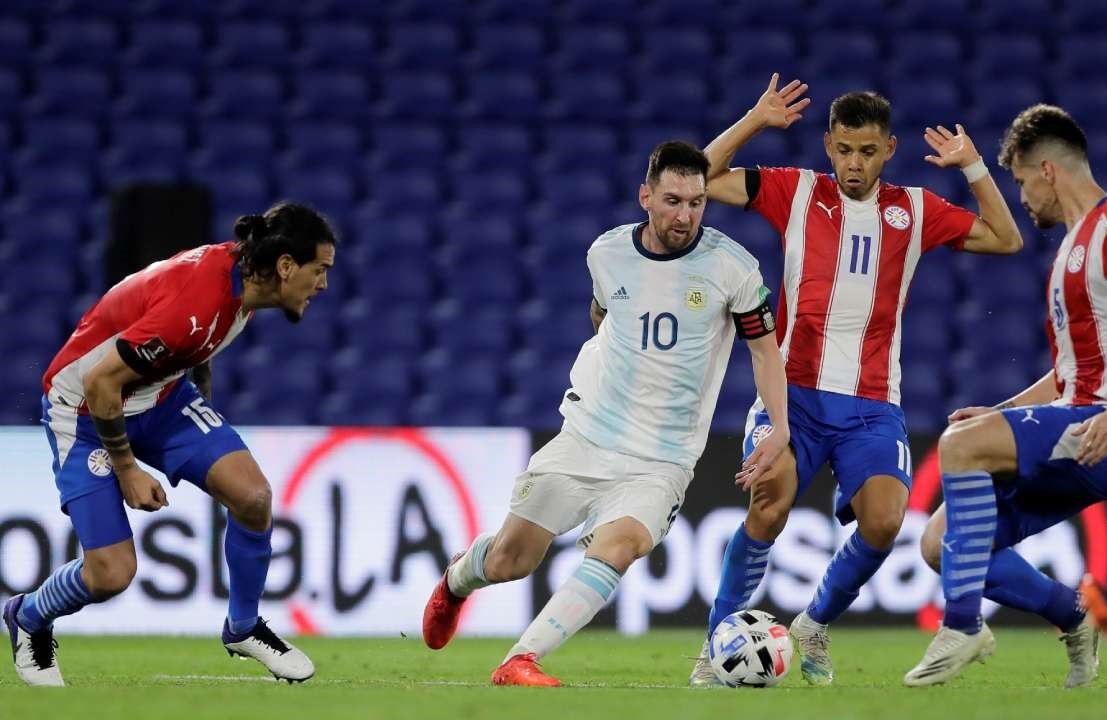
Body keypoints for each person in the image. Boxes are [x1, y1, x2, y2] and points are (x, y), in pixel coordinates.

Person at [689, 74, 1024, 687]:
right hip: (792, 396)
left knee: (885, 521)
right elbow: (698, 181)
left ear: (889, 149)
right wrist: (755, 120)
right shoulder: (796, 191)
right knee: (770, 502)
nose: (854, 163)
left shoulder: (914, 209)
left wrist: (974, 166)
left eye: (868, 151)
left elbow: (1007, 238)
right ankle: (715, 645)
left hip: (872, 405)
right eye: (844, 150)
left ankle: (814, 622)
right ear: (828, 145)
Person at [421, 141, 789, 687]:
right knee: (509, 562)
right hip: (589, 436)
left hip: (663, 458)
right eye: (672, 201)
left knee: (620, 545)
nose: (685, 215)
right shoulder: (607, 253)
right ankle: (456, 580)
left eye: (696, 203)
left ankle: (521, 659)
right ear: (646, 197)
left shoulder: (732, 267)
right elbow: (602, 316)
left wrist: (779, 427)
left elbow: (764, 351)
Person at [2, 202, 337, 686]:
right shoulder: (196, 300)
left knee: (252, 497)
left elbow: (197, 343)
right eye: (320, 269)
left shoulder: (241, 281)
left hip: (162, 398)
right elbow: (100, 382)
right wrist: (128, 470)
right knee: (111, 574)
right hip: (85, 411)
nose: (323, 284)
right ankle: (29, 615)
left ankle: (243, 627)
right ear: (285, 265)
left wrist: (202, 412)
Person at [905, 104, 1107, 687]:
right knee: (940, 543)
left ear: (1047, 170)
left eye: (1019, 181)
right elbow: (1069, 373)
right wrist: (998, 414)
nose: (1021, 196)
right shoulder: (1073, 246)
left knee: (959, 447)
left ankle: (962, 624)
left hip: (1097, 426)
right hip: (1078, 425)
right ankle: (1074, 614)